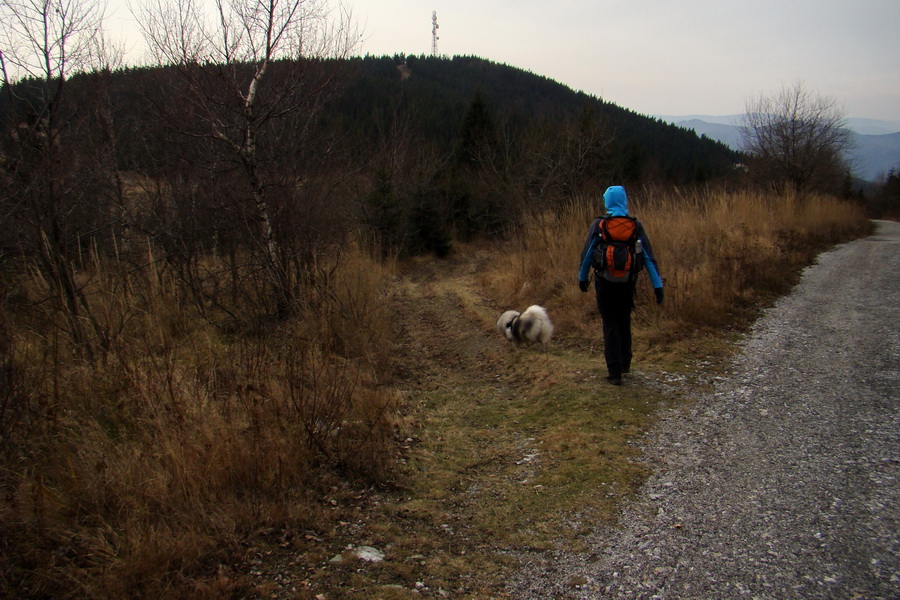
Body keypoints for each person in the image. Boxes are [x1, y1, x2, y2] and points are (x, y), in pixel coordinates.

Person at [578, 185, 663, 385]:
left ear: (607, 202)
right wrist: (657, 286)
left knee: (610, 323)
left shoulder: (600, 224)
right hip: (627, 282)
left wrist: (582, 278)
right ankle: (625, 363)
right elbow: (648, 258)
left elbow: (588, 254)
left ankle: (614, 372)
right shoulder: (635, 226)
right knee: (624, 320)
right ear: (624, 201)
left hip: (604, 282)